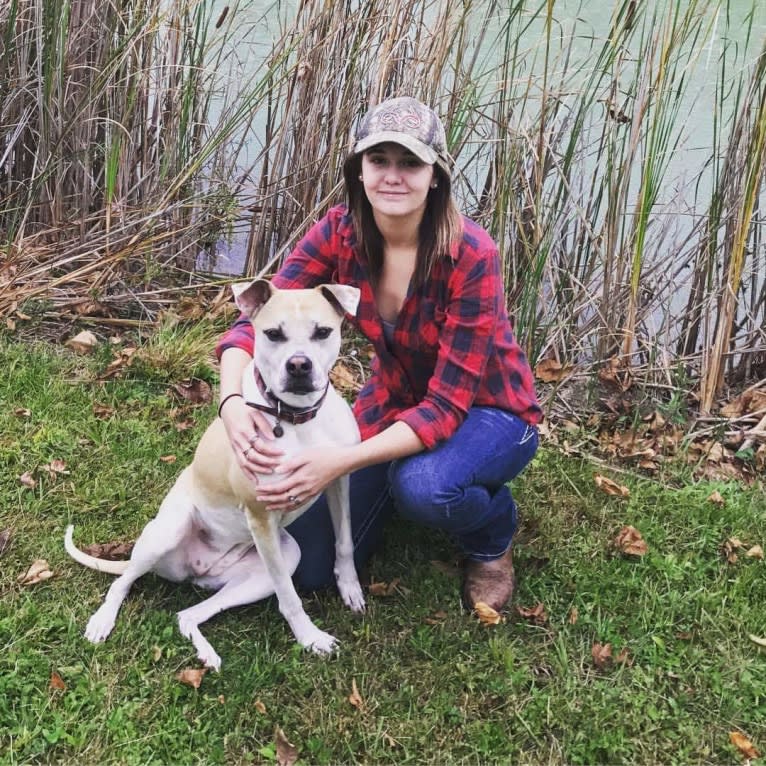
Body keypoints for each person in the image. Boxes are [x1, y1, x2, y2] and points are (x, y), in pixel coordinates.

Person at [216, 96, 542, 612]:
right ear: (359, 171)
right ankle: (388, 484)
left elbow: (445, 407)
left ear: (435, 175)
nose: (394, 176)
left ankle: (491, 535)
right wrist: (232, 404)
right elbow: (252, 323)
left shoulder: (472, 255)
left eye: (410, 162)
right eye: (379, 161)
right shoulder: (338, 233)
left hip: (491, 412)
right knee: (316, 565)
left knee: (424, 486)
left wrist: (340, 461)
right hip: (395, 401)